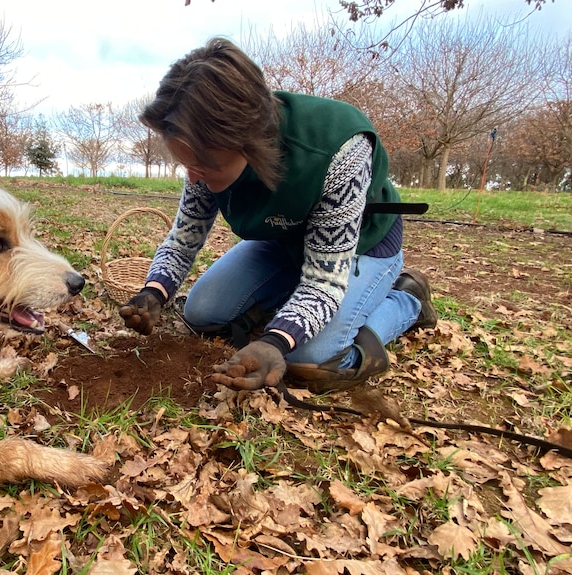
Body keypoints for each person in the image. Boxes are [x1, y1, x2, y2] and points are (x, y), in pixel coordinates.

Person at [118, 37, 437, 394]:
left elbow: (324, 279)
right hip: (284, 240)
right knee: (201, 311)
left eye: (203, 166)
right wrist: (155, 290)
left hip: (360, 247)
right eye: (186, 164)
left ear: (249, 143)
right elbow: (183, 237)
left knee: (311, 358)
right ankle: (290, 298)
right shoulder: (204, 154)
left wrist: (277, 341)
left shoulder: (338, 149)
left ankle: (407, 300)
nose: (192, 177)